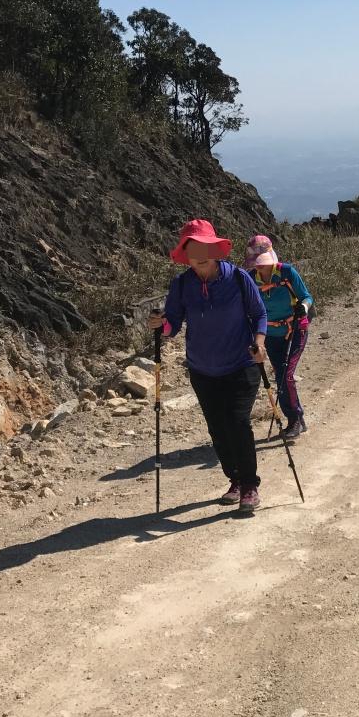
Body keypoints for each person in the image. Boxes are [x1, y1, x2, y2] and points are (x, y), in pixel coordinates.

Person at [149, 219, 268, 512]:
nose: (200, 253)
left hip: (241, 364)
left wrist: (260, 342)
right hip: (202, 369)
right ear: (185, 254)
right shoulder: (181, 285)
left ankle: (250, 485)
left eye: (205, 246)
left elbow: (259, 313)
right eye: (193, 248)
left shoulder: (239, 279)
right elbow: (173, 324)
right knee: (218, 428)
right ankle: (235, 480)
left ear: (215, 249)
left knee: (238, 422)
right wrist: (160, 325)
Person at [243, 234, 314, 440]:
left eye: (262, 263)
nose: (260, 268)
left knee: (285, 375)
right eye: (257, 264)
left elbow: (306, 296)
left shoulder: (286, 272)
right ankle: (298, 420)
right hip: (270, 336)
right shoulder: (250, 278)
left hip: (296, 330)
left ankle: (295, 420)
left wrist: (303, 306)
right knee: (281, 375)